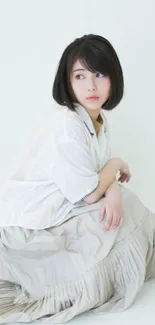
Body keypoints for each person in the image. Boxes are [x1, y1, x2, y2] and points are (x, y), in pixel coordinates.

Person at [0, 34, 154, 324]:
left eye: (99, 74)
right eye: (80, 76)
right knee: (124, 210)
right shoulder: (67, 124)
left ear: (113, 78)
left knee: (125, 207)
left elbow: (97, 181)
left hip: (64, 208)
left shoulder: (96, 120)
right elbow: (90, 192)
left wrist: (113, 190)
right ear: (67, 81)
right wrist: (117, 166)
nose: (91, 86)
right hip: (27, 226)